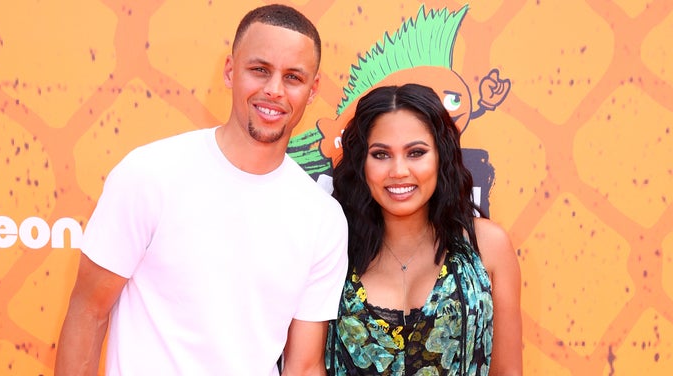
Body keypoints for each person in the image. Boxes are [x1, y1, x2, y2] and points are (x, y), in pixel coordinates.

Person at [55, 4, 348, 375]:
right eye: (259, 70)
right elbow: (88, 313)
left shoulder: (322, 219)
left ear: (313, 89)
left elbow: (303, 366)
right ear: (230, 71)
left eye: (293, 77)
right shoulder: (149, 174)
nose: (274, 90)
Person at [326, 83, 522, 375]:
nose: (399, 171)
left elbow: (507, 372)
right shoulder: (333, 249)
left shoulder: (487, 247)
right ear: (361, 163)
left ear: (441, 156)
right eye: (381, 154)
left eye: (416, 153)